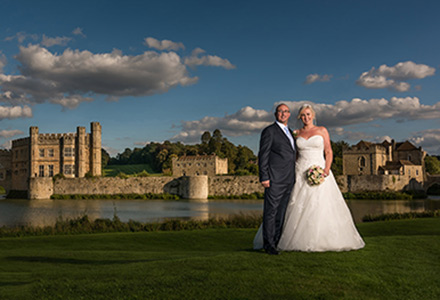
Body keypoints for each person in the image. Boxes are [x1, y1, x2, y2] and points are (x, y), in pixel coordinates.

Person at [254, 104, 365, 252]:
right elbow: (290, 155)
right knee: (289, 208)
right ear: (300, 117)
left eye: (308, 114)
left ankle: (319, 239)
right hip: (299, 172)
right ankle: (272, 243)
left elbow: (329, 151)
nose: (306, 117)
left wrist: (325, 169)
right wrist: (267, 175)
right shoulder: (295, 133)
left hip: (320, 170)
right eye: (303, 115)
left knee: (320, 206)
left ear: (313, 115)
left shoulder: (322, 130)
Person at [257, 103, 296, 255]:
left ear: (289, 114)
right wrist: (264, 176)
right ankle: (269, 245)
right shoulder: (269, 131)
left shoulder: (290, 132)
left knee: (281, 213)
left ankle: (277, 241)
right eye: (280, 111)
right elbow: (263, 155)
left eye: (286, 111)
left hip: (289, 179)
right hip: (274, 179)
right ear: (275, 114)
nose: (283, 114)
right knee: (271, 212)